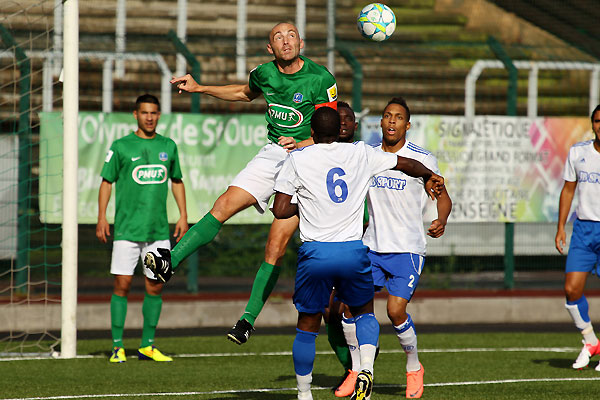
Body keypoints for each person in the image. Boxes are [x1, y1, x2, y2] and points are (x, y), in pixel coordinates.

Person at [144, 22, 338, 345]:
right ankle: (169, 263)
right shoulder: (264, 73)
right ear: (269, 48)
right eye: (278, 37)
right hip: (274, 153)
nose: (285, 41)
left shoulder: (321, 79)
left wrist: (302, 144)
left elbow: (330, 133)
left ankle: (247, 320)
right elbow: (243, 93)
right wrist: (200, 88)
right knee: (222, 205)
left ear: (301, 42)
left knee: (274, 247)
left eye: (291, 35)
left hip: (306, 162)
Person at [271, 107, 444, 400]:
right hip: (353, 251)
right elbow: (404, 164)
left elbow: (280, 209)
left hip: (316, 253)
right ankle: (365, 369)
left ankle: (303, 394)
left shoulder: (298, 158)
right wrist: (429, 173)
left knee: (308, 323)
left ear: (311, 133)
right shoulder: (361, 153)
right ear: (340, 129)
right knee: (364, 311)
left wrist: (309, 205)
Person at [339, 97, 452, 398]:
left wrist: (441, 219)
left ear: (408, 125)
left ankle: (414, 368)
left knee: (394, 310)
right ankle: (355, 370)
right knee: (350, 307)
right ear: (381, 122)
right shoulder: (368, 156)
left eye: (398, 117)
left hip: (407, 249)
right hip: (372, 246)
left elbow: (442, 195)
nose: (391, 121)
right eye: (387, 116)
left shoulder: (422, 159)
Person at [96, 94, 189, 363]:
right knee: (122, 285)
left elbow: (177, 180)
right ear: (135, 114)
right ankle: (117, 346)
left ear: (159, 115)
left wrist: (183, 215)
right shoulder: (121, 146)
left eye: (154, 113)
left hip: (158, 231)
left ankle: (147, 345)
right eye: (145, 112)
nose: (150, 117)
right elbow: (106, 182)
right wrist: (102, 217)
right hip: (127, 230)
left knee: (156, 286)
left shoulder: (168, 146)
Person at [555, 104, 600, 370]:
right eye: (597, 121)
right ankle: (590, 340)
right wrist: (561, 226)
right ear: (592, 124)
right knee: (572, 289)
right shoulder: (578, 152)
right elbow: (568, 190)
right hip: (584, 230)